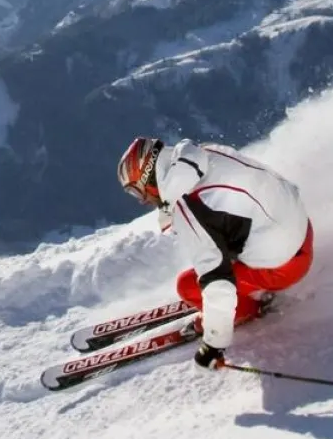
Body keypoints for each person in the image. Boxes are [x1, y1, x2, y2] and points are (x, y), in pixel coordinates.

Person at [117, 136, 315, 370]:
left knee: (188, 285)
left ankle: (249, 309)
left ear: (149, 178)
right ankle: (252, 284)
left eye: (138, 192)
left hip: (284, 267)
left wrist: (213, 344)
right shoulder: (204, 153)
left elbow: (217, 280)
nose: (143, 201)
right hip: (302, 231)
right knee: (222, 234)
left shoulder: (187, 206)